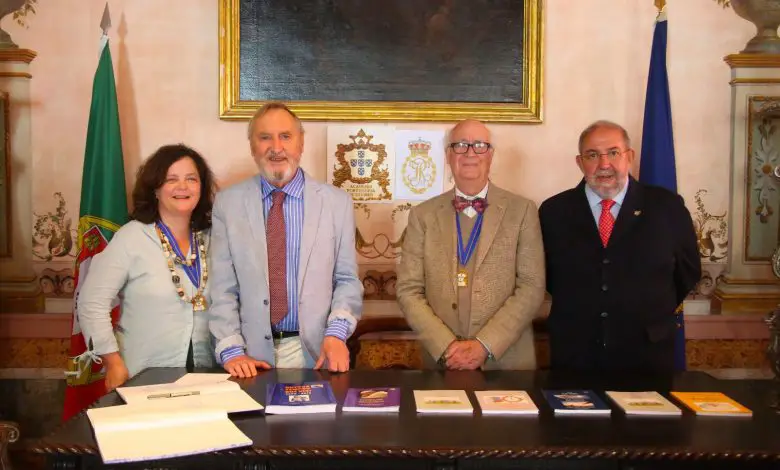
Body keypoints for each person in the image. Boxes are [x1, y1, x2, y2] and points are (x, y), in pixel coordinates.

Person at [209, 102, 363, 377]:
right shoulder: (227, 204)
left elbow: (347, 280)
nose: (276, 147)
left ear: (301, 143)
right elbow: (223, 288)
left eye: (286, 136)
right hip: (251, 360)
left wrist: (337, 334)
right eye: (265, 137)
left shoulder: (336, 203)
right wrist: (232, 351)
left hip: (317, 353)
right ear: (252, 146)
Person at [539, 120, 701, 373]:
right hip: (575, 354)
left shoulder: (666, 207)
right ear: (580, 162)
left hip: (648, 353)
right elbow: (546, 276)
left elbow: (687, 271)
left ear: (630, 156)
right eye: (592, 155)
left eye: (613, 153)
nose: (604, 164)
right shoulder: (553, 212)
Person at [396, 119, 546, 370]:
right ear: (448, 155)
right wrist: (446, 346)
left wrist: (485, 344)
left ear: (491, 154)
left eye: (479, 145)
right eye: (460, 145)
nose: (470, 153)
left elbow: (531, 287)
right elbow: (408, 290)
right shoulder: (422, 215)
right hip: (443, 361)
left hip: (506, 362)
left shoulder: (522, 211)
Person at [77, 144, 217, 391]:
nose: (182, 187)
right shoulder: (132, 237)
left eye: (191, 179)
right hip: (143, 372)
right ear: (155, 189)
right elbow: (91, 302)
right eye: (171, 179)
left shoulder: (213, 237)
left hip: (209, 371)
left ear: (201, 187)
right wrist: (113, 362)